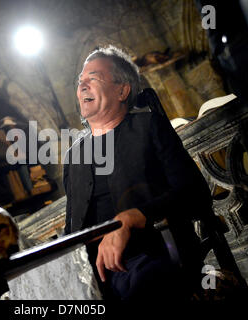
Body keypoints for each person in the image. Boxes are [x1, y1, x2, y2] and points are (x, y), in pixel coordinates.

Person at [63, 45, 213, 300]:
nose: (83, 87)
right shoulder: (73, 156)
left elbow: (195, 195)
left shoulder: (149, 127)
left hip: (149, 258)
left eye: (93, 79)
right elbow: (71, 228)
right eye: (80, 82)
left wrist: (133, 217)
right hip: (91, 277)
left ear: (122, 90)